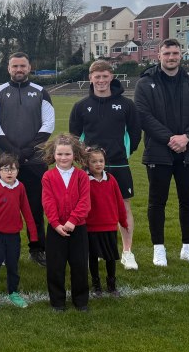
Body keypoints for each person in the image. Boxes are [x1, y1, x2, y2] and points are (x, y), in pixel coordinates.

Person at [134, 39, 189, 268]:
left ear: (181, 55)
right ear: (159, 55)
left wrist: (186, 137)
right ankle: (159, 248)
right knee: (157, 202)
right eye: (167, 53)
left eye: (175, 53)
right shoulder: (145, 83)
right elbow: (142, 115)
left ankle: (188, 247)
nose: (171, 57)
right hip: (159, 152)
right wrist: (170, 138)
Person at [69, 59, 141, 270]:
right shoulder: (81, 106)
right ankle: (96, 250)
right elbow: (74, 137)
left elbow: (135, 133)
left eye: (104, 76)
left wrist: (124, 152)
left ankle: (127, 251)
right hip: (89, 166)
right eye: (97, 76)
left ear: (111, 77)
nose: (101, 80)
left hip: (118, 164)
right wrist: (84, 156)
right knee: (89, 206)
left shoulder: (126, 104)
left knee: (123, 207)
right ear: (90, 78)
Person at [0, 52, 55, 267]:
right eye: (15, 66)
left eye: (22, 66)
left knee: (35, 209)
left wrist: (26, 152)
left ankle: (37, 249)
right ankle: (5, 252)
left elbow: (48, 126)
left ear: (29, 67)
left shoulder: (42, 92)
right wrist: (14, 154)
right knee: (5, 208)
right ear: (8, 68)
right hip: (6, 163)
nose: (19, 70)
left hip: (34, 161)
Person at [0, 153, 38, 313]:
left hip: (14, 236)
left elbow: (26, 210)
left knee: (13, 266)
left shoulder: (20, 187)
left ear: (17, 171)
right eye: (6, 169)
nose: (10, 173)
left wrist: (33, 232)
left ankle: (13, 292)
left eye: (13, 169)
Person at [40, 133, 90, 313]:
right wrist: (55, 223)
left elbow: (85, 202)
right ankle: (58, 302)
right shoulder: (48, 177)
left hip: (78, 228)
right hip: (56, 230)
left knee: (79, 266)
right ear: (54, 155)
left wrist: (72, 221)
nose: (63, 158)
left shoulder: (82, 176)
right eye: (59, 154)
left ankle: (81, 301)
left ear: (74, 155)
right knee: (55, 267)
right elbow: (48, 202)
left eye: (67, 154)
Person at [85, 146, 128, 297]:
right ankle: (96, 285)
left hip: (109, 226)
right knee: (93, 257)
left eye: (101, 161)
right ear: (87, 163)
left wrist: (123, 221)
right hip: (91, 227)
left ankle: (111, 284)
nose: (98, 164)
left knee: (110, 257)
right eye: (94, 161)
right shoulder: (84, 180)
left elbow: (119, 202)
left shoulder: (111, 179)